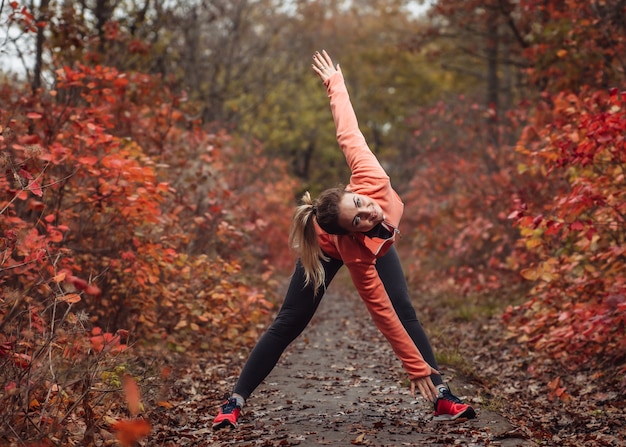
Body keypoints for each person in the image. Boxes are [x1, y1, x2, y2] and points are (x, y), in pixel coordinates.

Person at [212, 50, 476, 430]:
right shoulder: (353, 250)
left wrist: (335, 83)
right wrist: (412, 367)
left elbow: (347, 131)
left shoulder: (370, 177)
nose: (369, 212)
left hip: (364, 238)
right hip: (324, 248)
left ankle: (442, 395)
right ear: (353, 232)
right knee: (290, 320)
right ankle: (234, 401)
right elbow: (379, 313)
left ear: (355, 192)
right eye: (360, 220)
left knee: (407, 310)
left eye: (361, 205)